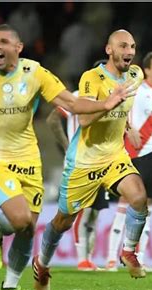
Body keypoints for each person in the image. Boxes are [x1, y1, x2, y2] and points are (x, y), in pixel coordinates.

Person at [0, 24, 133, 290]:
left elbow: (71, 103)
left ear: (18, 48)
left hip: (28, 156)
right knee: (20, 218)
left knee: (28, 228)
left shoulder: (35, 73)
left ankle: (9, 288)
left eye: (3, 42)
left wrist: (106, 104)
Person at [31, 29, 146, 290]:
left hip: (115, 155)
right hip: (85, 161)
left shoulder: (135, 75)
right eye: (122, 46)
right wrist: (108, 103)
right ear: (109, 49)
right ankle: (42, 264)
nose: (129, 51)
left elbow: (123, 106)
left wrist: (128, 126)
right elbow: (83, 120)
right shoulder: (91, 78)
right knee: (63, 221)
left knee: (139, 196)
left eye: (132, 46)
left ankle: (128, 251)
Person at [105, 51, 152, 273]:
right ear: (147, 70)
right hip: (134, 153)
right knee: (125, 205)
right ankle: (110, 260)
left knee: (147, 208)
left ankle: (139, 258)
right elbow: (119, 110)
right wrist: (128, 128)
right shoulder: (135, 87)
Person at [46, 59, 110, 271]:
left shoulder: (112, 101)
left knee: (95, 211)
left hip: (102, 162)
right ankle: (82, 259)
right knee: (83, 210)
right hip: (81, 162)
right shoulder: (76, 98)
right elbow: (52, 120)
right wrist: (66, 145)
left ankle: (88, 258)